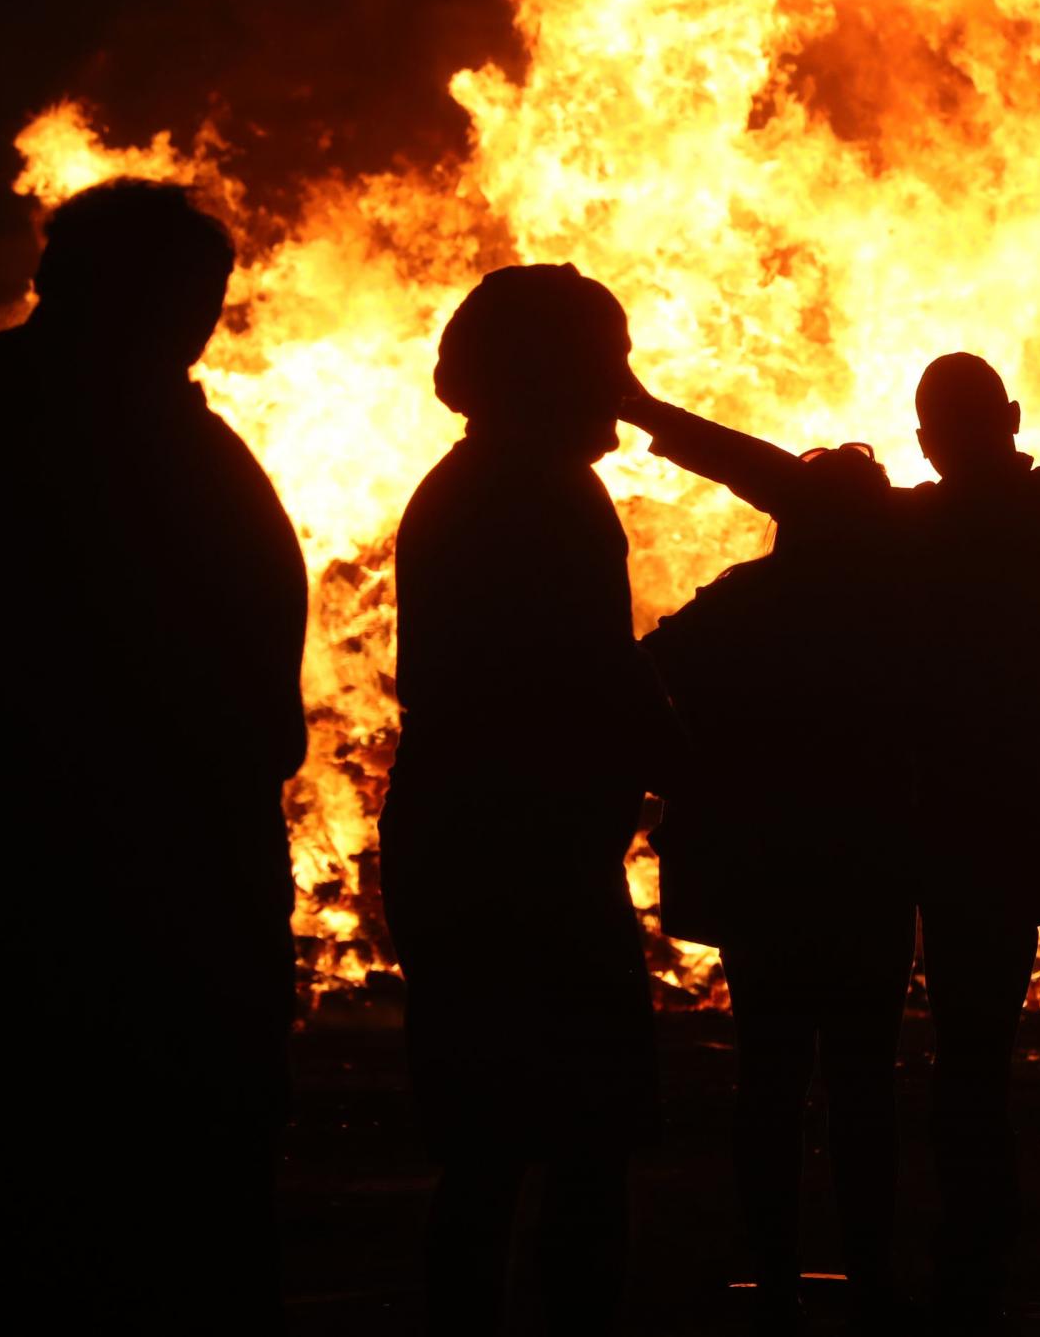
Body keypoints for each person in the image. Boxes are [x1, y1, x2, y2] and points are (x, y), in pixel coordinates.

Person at [623, 147, 1040, 1333]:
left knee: (971, 1063)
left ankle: (975, 1265)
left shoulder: (902, 535)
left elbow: (775, 479)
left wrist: (641, 406)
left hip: (966, 832)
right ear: (1009, 423)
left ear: (924, 440)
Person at [0, 179, 311, 1331]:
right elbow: (250, 734)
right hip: (122, 949)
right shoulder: (176, 477)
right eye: (180, 300)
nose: (198, 326)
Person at [380, 264, 688, 1337]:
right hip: (524, 860)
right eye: (606, 363)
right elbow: (586, 675)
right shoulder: (538, 495)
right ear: (552, 374)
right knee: (578, 1143)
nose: (622, 385)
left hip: (469, 844)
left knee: (491, 1151)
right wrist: (700, 757)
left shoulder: (482, 482)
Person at [645, 441, 917, 1336]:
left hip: (763, 879)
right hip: (866, 876)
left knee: (768, 1079)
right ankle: (874, 1279)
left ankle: (775, 1278)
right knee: (863, 1083)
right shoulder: (892, 614)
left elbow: (642, 675)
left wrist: (690, 775)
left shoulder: (740, 604)